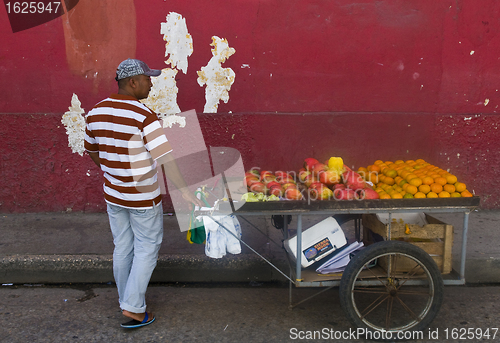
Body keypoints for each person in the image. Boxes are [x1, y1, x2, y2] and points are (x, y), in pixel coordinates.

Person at [84, 58, 202, 329]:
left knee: (123, 247)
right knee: (147, 247)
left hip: (114, 195)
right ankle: (134, 309)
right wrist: (185, 192)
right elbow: (165, 159)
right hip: (142, 197)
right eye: (148, 78)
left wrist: (114, 171)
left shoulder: (96, 112)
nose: (151, 82)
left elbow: (91, 149)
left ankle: (126, 300)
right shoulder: (143, 115)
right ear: (132, 82)